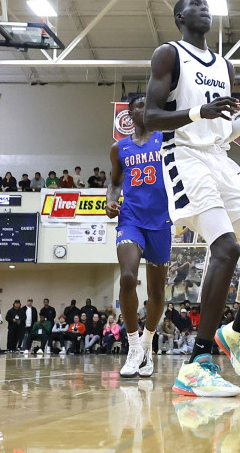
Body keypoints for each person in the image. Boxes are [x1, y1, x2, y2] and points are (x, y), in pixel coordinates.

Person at [143, 0, 240, 398]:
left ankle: (235, 331)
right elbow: (150, 117)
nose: (203, 7)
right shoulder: (168, 55)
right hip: (183, 156)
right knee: (226, 249)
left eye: (207, 4)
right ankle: (196, 363)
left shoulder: (225, 65)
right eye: (194, 3)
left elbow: (221, 129)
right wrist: (197, 114)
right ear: (180, 16)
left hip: (220, 158)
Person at [106, 94, 171, 379]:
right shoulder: (119, 148)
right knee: (128, 277)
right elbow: (115, 183)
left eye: (150, 104)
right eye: (140, 104)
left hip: (161, 221)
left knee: (156, 292)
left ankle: (147, 344)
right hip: (130, 219)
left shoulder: (167, 140)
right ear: (129, 113)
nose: (146, 108)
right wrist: (111, 200)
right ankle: (132, 346)